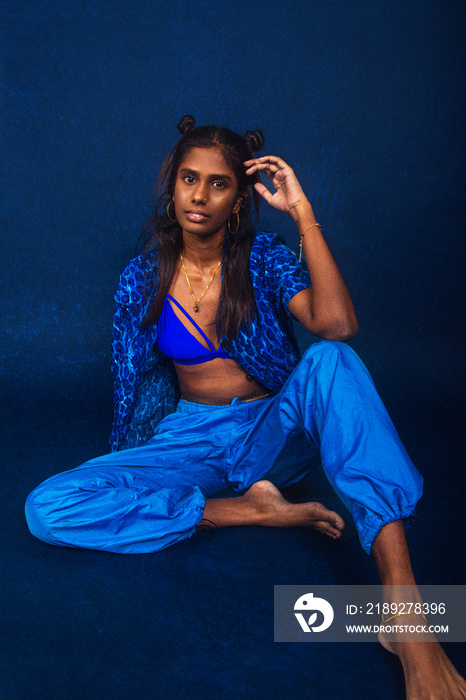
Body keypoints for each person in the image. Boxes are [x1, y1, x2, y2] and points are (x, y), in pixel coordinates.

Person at [25, 116, 465, 699]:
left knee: (330, 362)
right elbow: (133, 385)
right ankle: (249, 510)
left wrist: (302, 213)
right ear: (172, 184)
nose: (199, 196)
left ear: (238, 199)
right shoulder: (142, 276)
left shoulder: (262, 257)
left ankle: (406, 613)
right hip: (188, 438)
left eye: (218, 184)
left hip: (270, 431)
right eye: (189, 179)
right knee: (47, 508)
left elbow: (337, 325)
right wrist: (140, 462)